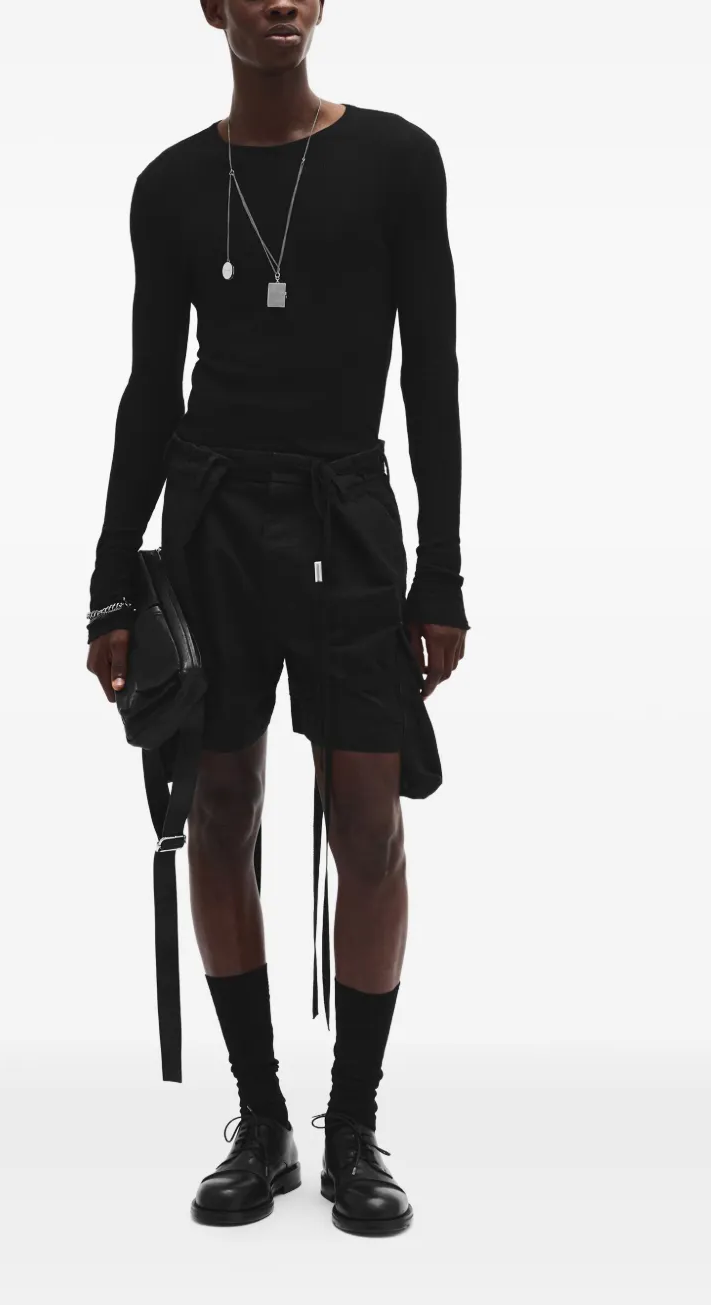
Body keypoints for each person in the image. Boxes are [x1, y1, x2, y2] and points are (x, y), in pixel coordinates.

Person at [85, 0, 468, 1237]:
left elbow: (431, 372)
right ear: (210, 7)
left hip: (347, 515)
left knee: (369, 815)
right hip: (212, 518)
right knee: (221, 805)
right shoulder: (170, 186)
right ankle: (261, 1117)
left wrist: (441, 571)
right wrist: (109, 578)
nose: (280, 2)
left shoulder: (397, 159)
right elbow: (151, 387)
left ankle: (351, 1124)